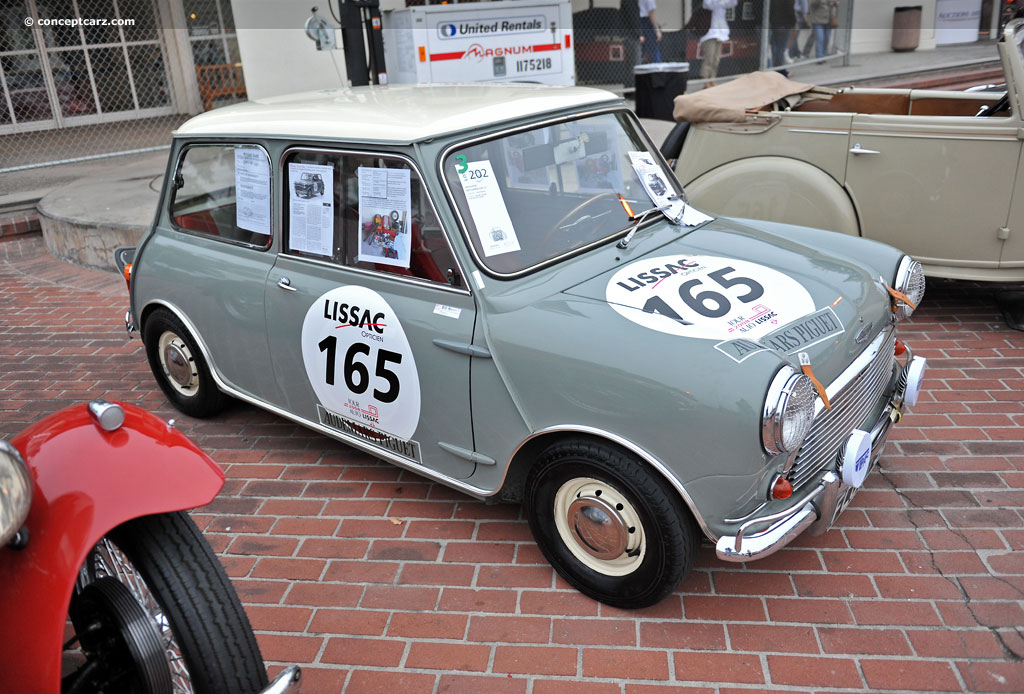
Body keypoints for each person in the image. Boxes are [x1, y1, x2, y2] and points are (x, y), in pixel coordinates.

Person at [698, 0, 738, 83]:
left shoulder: (722, 3)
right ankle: (705, 80)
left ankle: (712, 78)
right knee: (709, 58)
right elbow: (709, 5)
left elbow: (732, 3)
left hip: (720, 34)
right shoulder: (709, 2)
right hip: (709, 34)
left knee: (716, 59)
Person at [769, 0, 796, 68]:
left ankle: (776, 65)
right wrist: (793, 22)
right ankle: (779, 67)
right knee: (780, 48)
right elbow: (790, 10)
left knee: (775, 46)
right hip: (784, 24)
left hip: (775, 24)